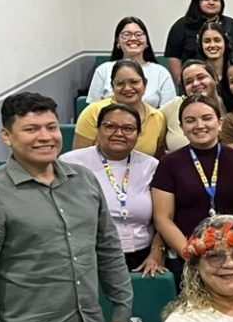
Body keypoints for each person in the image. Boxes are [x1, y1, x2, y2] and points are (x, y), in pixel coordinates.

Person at [0, 92, 133, 322]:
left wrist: (122, 308)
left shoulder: (84, 180)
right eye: (31, 129)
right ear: (6, 136)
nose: (45, 137)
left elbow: (108, 249)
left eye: (51, 127)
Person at [153, 95, 233, 283]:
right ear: (182, 128)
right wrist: (192, 257)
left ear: (219, 123)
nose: (199, 125)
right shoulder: (169, 164)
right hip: (187, 259)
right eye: (190, 121)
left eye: (206, 118)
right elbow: (162, 218)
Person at [62, 103, 167, 274]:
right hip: (88, 255)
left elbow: (165, 218)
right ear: (98, 129)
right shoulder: (71, 163)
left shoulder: (152, 166)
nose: (119, 133)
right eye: (110, 126)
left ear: (138, 134)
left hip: (142, 257)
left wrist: (156, 254)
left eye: (128, 129)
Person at [74, 60, 168, 157]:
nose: (127, 88)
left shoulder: (157, 117)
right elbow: (79, 158)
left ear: (145, 84)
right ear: (112, 86)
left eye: (134, 82)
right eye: (120, 83)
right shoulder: (93, 112)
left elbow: (158, 159)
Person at [164, 0, 233, 82]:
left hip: (228, 82)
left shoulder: (232, 25)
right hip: (195, 83)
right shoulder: (181, 26)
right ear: (197, 2)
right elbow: (174, 56)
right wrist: (182, 82)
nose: (211, 2)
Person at [86, 16, 177, 105]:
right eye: (126, 34)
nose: (133, 38)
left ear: (147, 41)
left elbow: (169, 110)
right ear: (117, 41)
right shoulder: (103, 70)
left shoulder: (161, 73)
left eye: (139, 35)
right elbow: (93, 109)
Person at [162, 60, 223, 152]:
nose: (195, 84)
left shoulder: (231, 105)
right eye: (188, 82)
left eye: (201, 77)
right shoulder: (174, 106)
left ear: (215, 79)